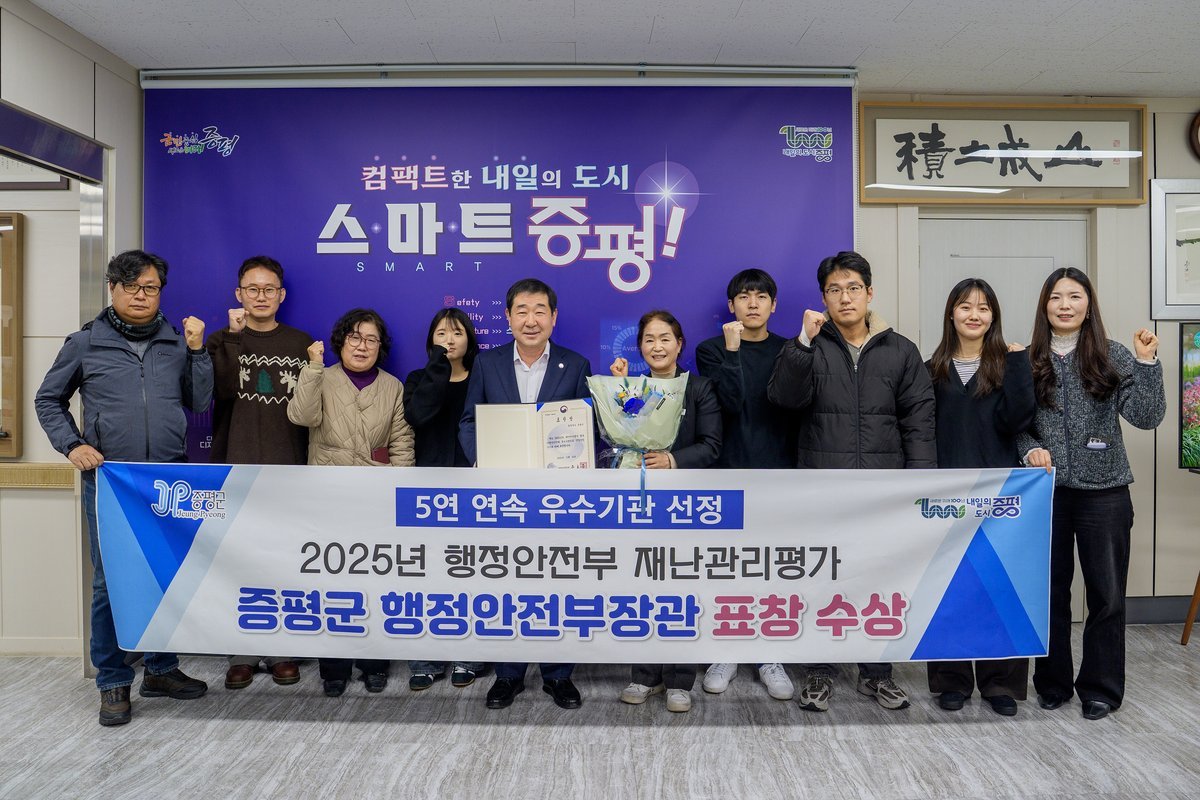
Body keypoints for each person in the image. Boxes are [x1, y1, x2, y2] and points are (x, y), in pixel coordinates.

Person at [35, 250, 213, 726]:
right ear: (112, 288)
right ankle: (113, 680)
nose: (141, 295)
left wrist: (198, 351)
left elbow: (199, 402)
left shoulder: (175, 341)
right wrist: (72, 444)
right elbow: (48, 399)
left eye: (150, 287)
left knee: (163, 573)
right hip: (111, 480)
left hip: (167, 479)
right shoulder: (85, 343)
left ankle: (161, 669)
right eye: (131, 286)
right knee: (109, 582)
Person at [768, 250, 935, 713]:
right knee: (823, 579)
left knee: (879, 579)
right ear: (823, 297)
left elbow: (919, 421)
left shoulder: (900, 350)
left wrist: (918, 486)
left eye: (853, 288)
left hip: (883, 491)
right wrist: (802, 343)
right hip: (823, 489)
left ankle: (876, 674)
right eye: (835, 290)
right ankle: (819, 671)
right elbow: (783, 398)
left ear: (869, 293)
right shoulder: (810, 344)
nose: (845, 298)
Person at [1017, 267, 1164, 721]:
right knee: (1050, 593)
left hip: (1105, 493)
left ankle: (1100, 688)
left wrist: (1146, 363)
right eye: (1056, 297)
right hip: (1046, 492)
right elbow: (1013, 423)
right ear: (1044, 305)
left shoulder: (1112, 354)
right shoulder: (1026, 360)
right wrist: (1029, 449)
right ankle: (1053, 683)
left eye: (1075, 296)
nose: (1065, 305)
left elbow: (1147, 416)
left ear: (1088, 304)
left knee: (1107, 594)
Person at [458, 277, 591, 710]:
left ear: (554, 317)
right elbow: (469, 422)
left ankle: (558, 675)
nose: (531, 320)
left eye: (539, 311)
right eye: (522, 311)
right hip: (505, 495)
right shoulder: (488, 363)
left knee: (558, 580)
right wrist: (483, 460)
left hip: (557, 497)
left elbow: (585, 426)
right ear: (508, 316)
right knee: (506, 581)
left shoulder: (576, 365)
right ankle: (509, 674)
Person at [287, 308, 415, 697]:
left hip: (376, 498)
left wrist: (398, 491)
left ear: (381, 346)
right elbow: (300, 416)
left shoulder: (393, 386)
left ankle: (375, 664)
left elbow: (401, 440)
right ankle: (334, 668)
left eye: (371, 339)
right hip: (328, 496)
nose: (362, 346)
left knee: (377, 581)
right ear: (341, 342)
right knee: (332, 582)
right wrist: (312, 368)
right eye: (355, 337)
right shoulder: (321, 377)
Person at [925, 278, 1035, 716]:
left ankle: (1000, 684)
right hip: (945, 497)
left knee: (998, 589)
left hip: (999, 496)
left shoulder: (1008, 365)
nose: (974, 314)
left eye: (984, 307)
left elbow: (1018, 420)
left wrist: (1020, 364)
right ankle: (951, 681)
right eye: (966, 306)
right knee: (948, 590)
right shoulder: (931, 368)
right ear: (951, 313)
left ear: (993, 317)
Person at [205, 255, 311, 692]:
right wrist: (233, 338)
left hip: (288, 469)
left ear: (281, 295)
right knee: (238, 561)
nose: (261, 296)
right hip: (235, 466)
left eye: (269, 289)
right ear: (239, 294)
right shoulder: (220, 339)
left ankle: (282, 648)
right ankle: (241, 652)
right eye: (253, 289)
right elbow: (219, 392)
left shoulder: (301, 344)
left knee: (284, 559)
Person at [695, 268, 797, 702]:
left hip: (778, 475)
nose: (752, 304)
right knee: (727, 568)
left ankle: (770, 655)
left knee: (772, 568)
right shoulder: (710, 349)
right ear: (731, 305)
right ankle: (726, 651)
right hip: (726, 473)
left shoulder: (790, 349)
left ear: (774, 304)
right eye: (743, 296)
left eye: (761, 296)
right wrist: (733, 350)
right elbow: (731, 403)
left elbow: (795, 404)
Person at [611, 310, 721, 713]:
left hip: (685, 503)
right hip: (641, 502)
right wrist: (618, 390)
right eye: (649, 339)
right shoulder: (634, 388)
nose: (657, 347)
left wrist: (672, 460)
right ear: (640, 346)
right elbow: (620, 438)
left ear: (679, 344)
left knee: (681, 590)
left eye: (665, 338)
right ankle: (644, 675)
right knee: (643, 586)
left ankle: (679, 680)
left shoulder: (699, 388)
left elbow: (712, 445)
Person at [403, 308, 485, 690]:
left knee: (473, 573)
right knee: (429, 574)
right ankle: (427, 658)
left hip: (474, 489)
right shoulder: (418, 378)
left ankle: (470, 655)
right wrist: (438, 365)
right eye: (441, 333)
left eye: (456, 333)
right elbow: (419, 415)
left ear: (469, 338)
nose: (449, 340)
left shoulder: (483, 378)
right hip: (429, 490)